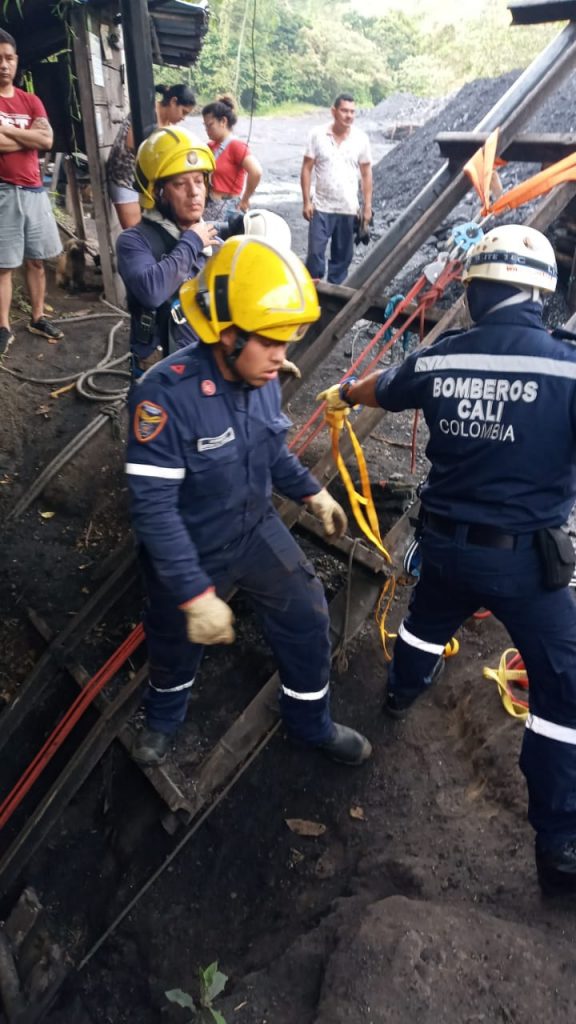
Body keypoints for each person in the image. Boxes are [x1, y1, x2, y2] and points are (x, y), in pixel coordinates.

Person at [318, 223, 576, 896]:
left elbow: (383, 385)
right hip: (525, 568)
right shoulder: (567, 369)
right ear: (542, 295)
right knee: (564, 696)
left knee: (423, 626)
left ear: (478, 292)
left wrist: (341, 394)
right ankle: (561, 847)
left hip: (445, 549)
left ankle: (401, 696)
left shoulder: (441, 360)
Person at [125, 235, 372, 768]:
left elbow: (269, 449)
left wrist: (312, 492)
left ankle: (311, 723)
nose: (283, 357)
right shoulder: (162, 397)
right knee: (173, 641)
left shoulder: (259, 376)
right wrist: (194, 594)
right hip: (188, 545)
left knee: (308, 616)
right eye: (271, 343)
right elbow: (154, 511)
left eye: (288, 342)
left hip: (253, 528)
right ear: (228, 335)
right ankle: (164, 717)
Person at [116, 126, 217, 377]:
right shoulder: (133, 241)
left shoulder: (211, 239)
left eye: (198, 181)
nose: (194, 192)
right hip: (161, 376)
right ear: (156, 192)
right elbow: (152, 292)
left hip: (208, 366)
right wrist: (192, 242)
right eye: (181, 184)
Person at [0, 28, 63, 350]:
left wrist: (7, 129)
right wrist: (27, 137)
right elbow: (33, 140)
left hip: (35, 191)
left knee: (37, 260)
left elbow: (47, 140)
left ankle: (37, 318)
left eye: (8, 58)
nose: (3, 65)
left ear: (16, 60)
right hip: (4, 191)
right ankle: (3, 327)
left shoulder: (31, 100)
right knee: (4, 265)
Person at [301, 92, 372, 285]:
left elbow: (366, 174)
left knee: (342, 260)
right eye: (344, 111)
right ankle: (312, 299)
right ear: (334, 111)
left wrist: (367, 207)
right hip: (321, 207)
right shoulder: (317, 135)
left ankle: (334, 304)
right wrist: (306, 201)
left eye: (352, 112)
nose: (349, 115)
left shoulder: (361, 139)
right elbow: (307, 168)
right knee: (315, 256)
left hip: (348, 208)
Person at [106, 83, 197, 229]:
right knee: (134, 231)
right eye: (183, 112)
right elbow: (133, 143)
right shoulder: (147, 113)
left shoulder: (167, 124)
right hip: (125, 179)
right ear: (173, 102)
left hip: (145, 183)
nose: (183, 118)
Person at [201, 95, 262, 221]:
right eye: (205, 126)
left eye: (210, 125)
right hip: (209, 205)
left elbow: (256, 171)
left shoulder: (236, 146)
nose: (207, 130)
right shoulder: (209, 147)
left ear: (223, 121)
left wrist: (245, 199)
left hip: (227, 208)